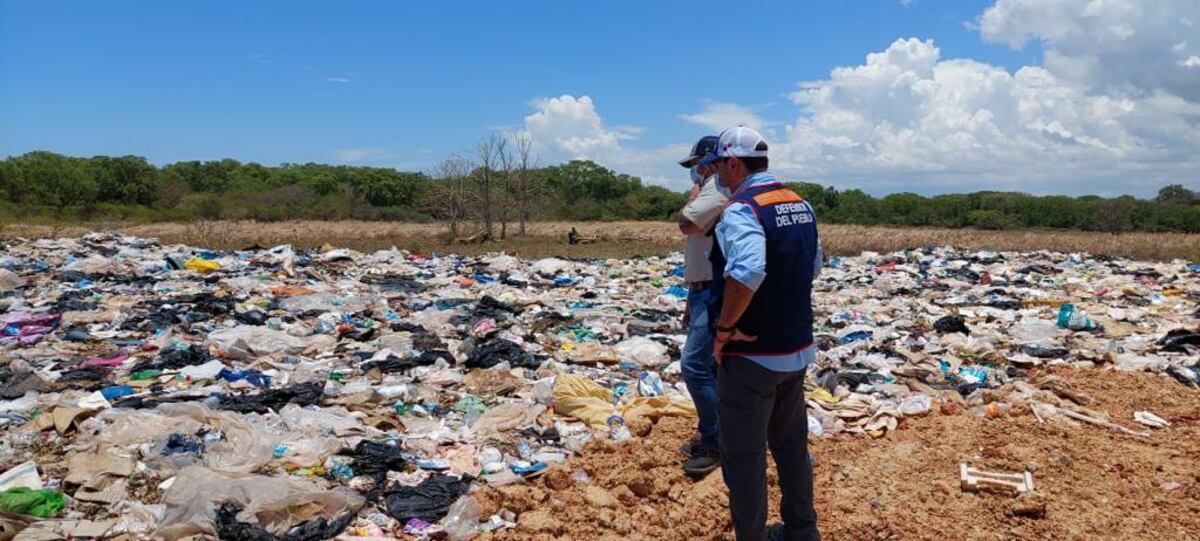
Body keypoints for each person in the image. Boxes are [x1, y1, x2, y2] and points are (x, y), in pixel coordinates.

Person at [699, 125, 822, 541]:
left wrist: (725, 328)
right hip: (796, 350)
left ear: (734, 162)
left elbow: (748, 270)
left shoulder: (742, 208)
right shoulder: (799, 204)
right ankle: (802, 531)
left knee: (744, 457)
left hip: (751, 356)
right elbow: (814, 266)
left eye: (718, 165)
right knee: (790, 448)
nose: (716, 173)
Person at [674, 135, 727, 475]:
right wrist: (691, 299)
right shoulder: (713, 188)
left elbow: (687, 224)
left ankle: (716, 441)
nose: (693, 174)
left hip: (711, 290)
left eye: (696, 166)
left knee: (694, 365)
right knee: (711, 368)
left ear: (709, 162)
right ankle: (719, 431)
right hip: (701, 290)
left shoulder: (715, 189)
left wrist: (697, 190)